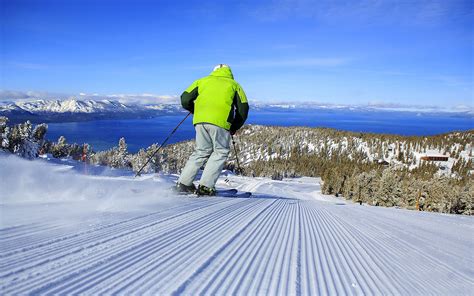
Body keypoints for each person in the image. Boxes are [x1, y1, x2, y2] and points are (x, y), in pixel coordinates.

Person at [176, 64, 249, 196]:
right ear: (229, 72)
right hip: (221, 123)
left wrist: (194, 110)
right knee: (220, 152)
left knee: (201, 151)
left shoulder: (202, 81)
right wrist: (234, 126)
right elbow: (243, 109)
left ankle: (183, 184)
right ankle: (206, 187)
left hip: (200, 121)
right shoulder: (234, 85)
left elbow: (185, 98)